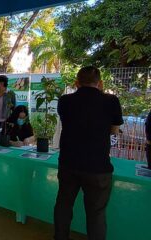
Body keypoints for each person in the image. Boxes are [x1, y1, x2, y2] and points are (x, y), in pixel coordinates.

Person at [54, 66, 123, 240]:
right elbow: (114, 130)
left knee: (63, 206)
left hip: (69, 163)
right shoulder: (111, 100)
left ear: (76, 83)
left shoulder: (65, 101)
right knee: (96, 214)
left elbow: (70, 122)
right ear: (100, 83)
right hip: (98, 167)